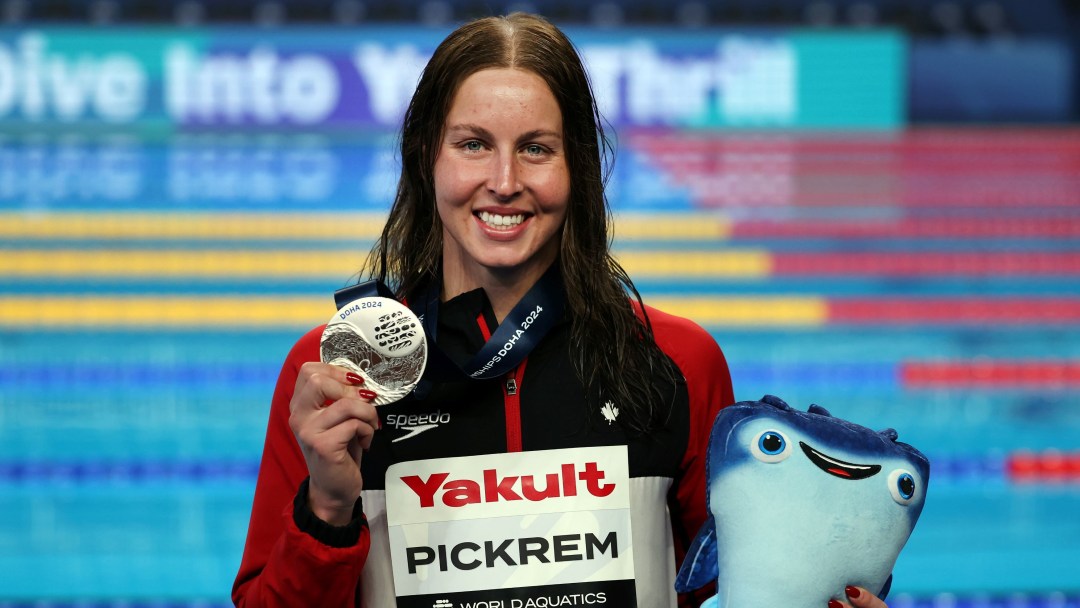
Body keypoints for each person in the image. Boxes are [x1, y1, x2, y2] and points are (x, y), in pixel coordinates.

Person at [232, 12, 888, 608]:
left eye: (536, 148)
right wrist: (327, 507)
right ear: (426, 156)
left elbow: (735, 587)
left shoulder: (677, 361)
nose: (506, 180)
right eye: (473, 144)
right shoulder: (346, 373)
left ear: (576, 166)